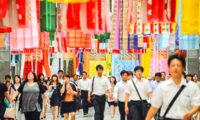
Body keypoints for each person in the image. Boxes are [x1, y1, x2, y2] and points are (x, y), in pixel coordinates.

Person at [146, 54, 200, 120]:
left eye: (178, 65)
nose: (175, 67)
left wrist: (191, 113)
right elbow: (154, 108)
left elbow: (197, 104)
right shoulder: (162, 87)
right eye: (173, 65)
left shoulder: (192, 87)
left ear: (183, 68)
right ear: (168, 68)